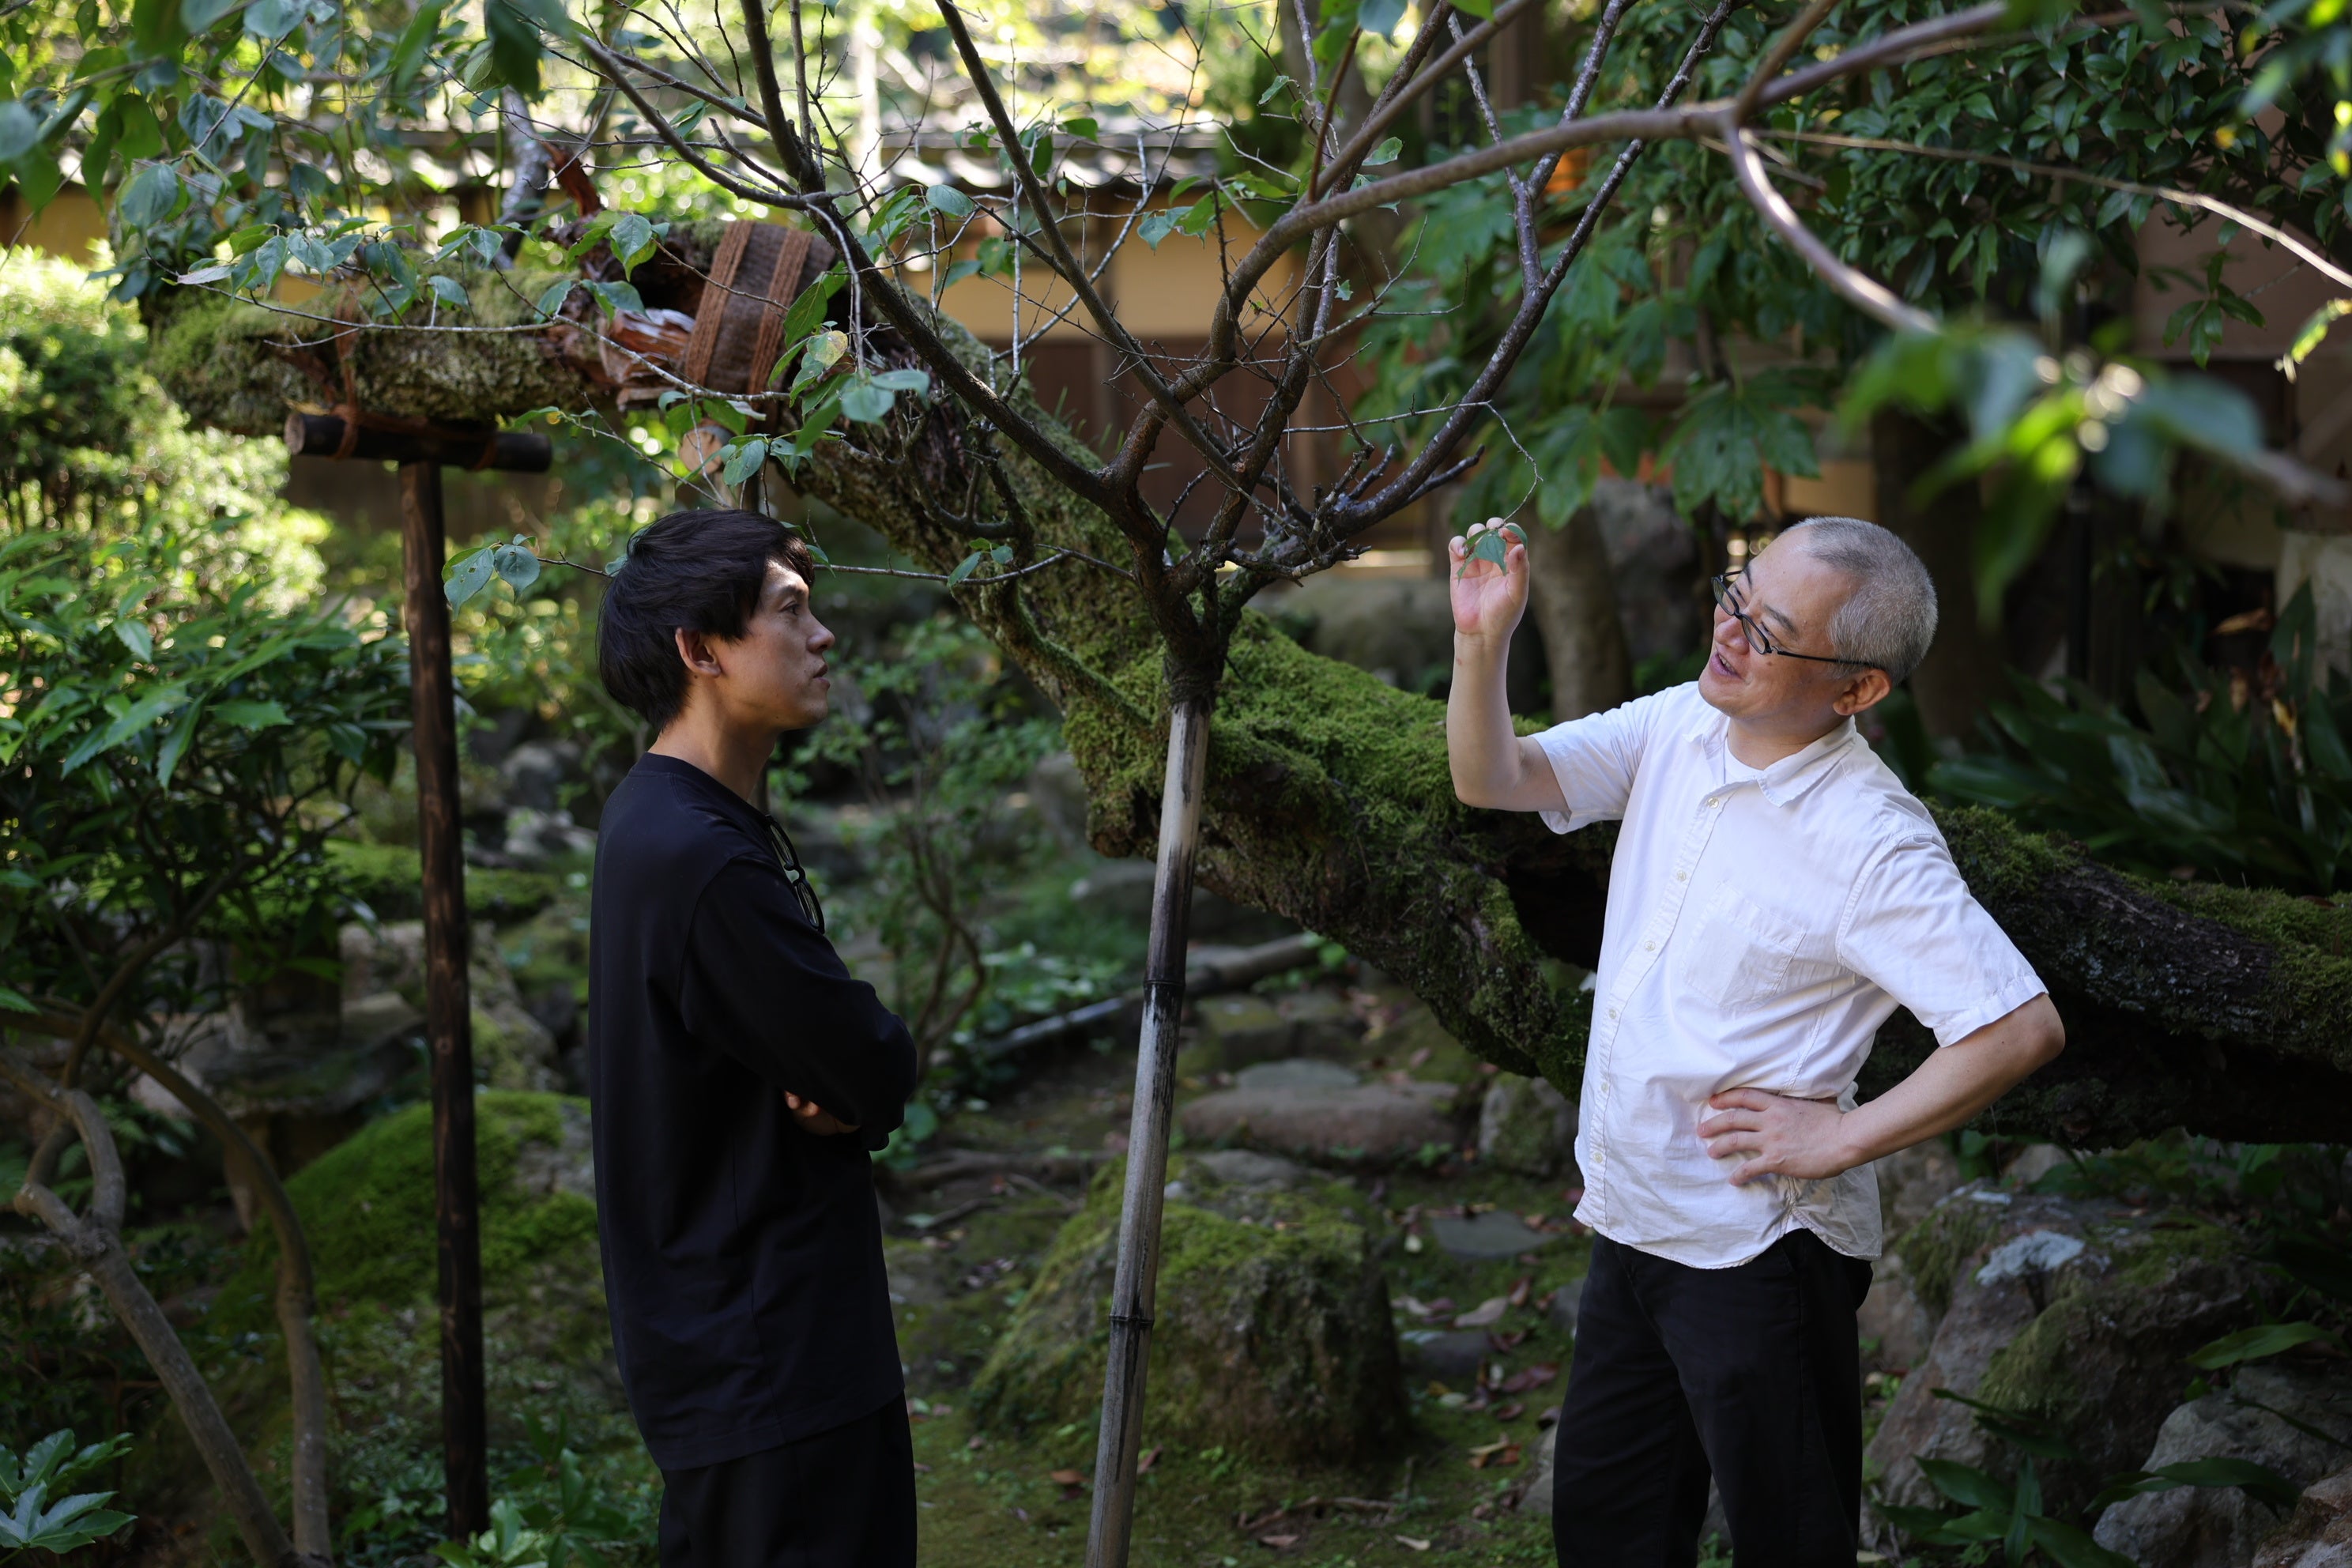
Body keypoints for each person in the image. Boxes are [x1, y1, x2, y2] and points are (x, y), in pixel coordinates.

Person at [1446, 515, 2064, 1567]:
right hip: (1636, 1220)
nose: (1728, 631)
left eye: (1767, 630)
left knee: (1790, 1541)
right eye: (1736, 594)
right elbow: (1494, 779)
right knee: (1608, 1530)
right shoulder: (1683, 722)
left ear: (1856, 689)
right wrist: (1482, 641)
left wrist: (1839, 1139)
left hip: (1758, 1254)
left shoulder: (1872, 841)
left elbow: (2017, 1027)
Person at [587, 509, 920, 1568]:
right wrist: (860, 1087)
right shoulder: (701, 860)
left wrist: (846, 1086)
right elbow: (870, 1059)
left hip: (734, 1353)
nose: (822, 636)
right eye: (790, 611)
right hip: (772, 1367)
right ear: (702, 649)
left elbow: (833, 1063)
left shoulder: (656, 820)